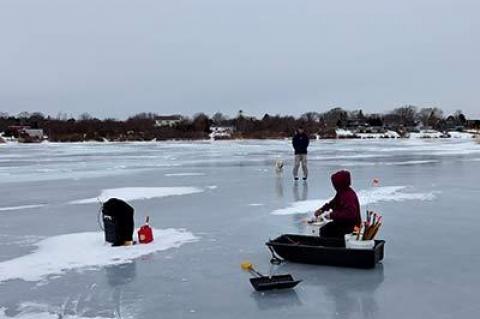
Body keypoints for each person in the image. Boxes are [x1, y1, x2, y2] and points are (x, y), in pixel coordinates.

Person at [314, 170, 361, 238]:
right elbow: (333, 203)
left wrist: (332, 215)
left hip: (353, 227)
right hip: (343, 223)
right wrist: (322, 209)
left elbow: (350, 213)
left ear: (340, 184)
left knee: (327, 231)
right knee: (324, 230)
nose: (333, 186)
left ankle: (334, 246)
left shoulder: (348, 195)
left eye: (334, 184)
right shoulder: (342, 192)